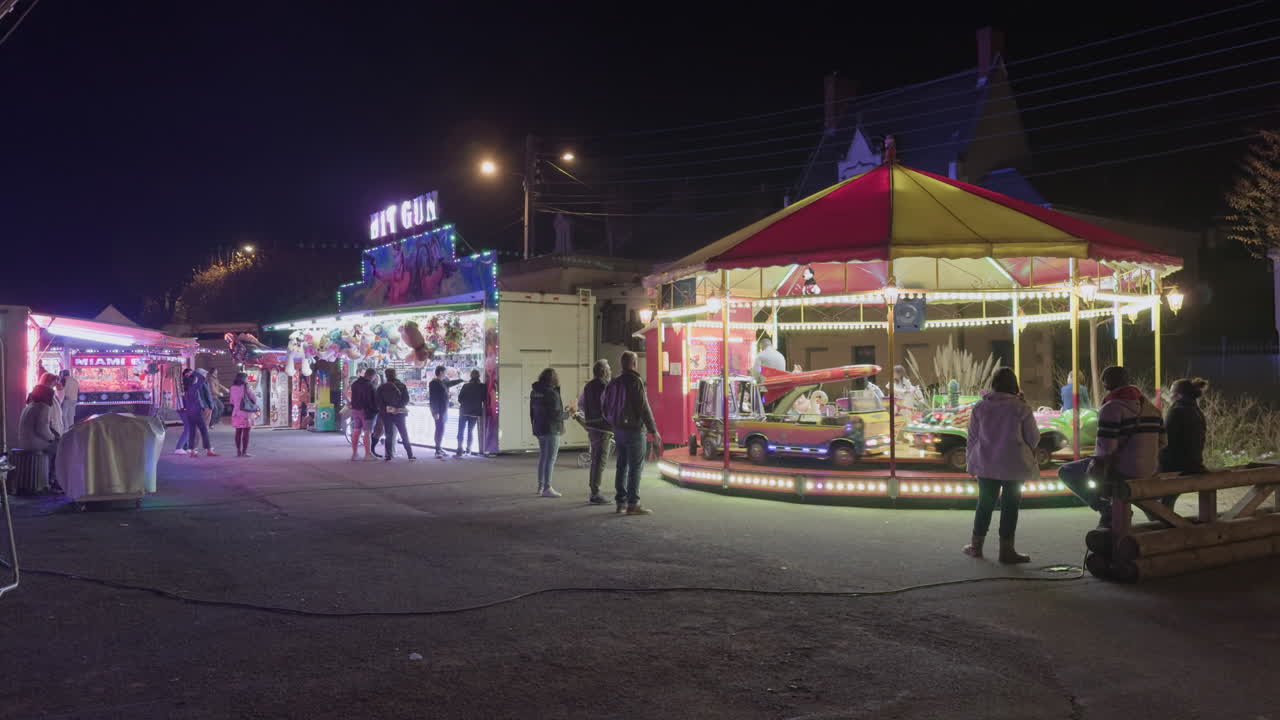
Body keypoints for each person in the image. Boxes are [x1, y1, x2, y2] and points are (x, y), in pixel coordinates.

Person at [1058, 366, 1165, 528]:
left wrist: (1094, 466)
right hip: (1150, 469)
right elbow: (1163, 442)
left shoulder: (1111, 408)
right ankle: (1151, 518)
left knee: (1067, 471)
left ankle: (1105, 508)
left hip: (1123, 471)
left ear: (1107, 384)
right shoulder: (1152, 409)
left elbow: (1105, 450)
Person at [962, 368, 1037, 563]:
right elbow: (1034, 438)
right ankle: (1007, 550)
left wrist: (971, 463)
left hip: (986, 464)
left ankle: (976, 546)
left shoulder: (980, 407)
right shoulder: (1021, 407)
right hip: (1015, 465)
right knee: (1010, 506)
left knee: (984, 504)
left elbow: (972, 438)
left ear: (993, 384)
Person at [604, 351, 660, 515]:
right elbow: (643, 407)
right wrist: (653, 430)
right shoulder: (635, 381)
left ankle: (620, 502)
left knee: (621, 465)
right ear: (634, 364)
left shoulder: (615, 382)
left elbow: (605, 404)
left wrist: (612, 422)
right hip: (634, 431)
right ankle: (633, 503)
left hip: (618, 430)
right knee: (636, 467)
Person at [1154, 377, 1209, 520]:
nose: (1169, 395)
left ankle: (1161, 518)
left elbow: (1167, 442)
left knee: (1143, 481)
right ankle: (1164, 517)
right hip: (1195, 463)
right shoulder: (1197, 411)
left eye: (1171, 392)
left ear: (1178, 394)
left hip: (1178, 466)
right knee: (1166, 499)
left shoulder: (1176, 410)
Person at [530, 368, 573, 497]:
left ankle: (540, 486)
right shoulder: (552, 393)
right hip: (552, 429)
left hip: (539, 427)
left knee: (543, 457)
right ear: (554, 379)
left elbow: (532, 411)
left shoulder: (535, 392)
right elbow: (556, 415)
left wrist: (534, 425)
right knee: (550, 459)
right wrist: (568, 413)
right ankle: (547, 488)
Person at [577, 359, 612, 504]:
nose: (610, 371)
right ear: (603, 371)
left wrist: (590, 415)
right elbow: (609, 406)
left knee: (596, 459)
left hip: (591, 426)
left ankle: (594, 489)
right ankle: (595, 493)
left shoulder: (588, 386)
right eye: (609, 369)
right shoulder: (605, 386)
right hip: (603, 427)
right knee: (600, 460)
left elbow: (581, 404)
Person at [18, 380, 61, 492]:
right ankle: (54, 481)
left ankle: (50, 479)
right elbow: (42, 429)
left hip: (24, 441)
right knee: (60, 450)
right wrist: (53, 438)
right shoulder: (43, 407)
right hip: (35, 442)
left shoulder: (30, 406)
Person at [377, 367, 414, 461]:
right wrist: (398, 408)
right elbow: (406, 399)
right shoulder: (401, 385)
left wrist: (386, 409)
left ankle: (388, 455)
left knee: (389, 434)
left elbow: (379, 401)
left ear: (386, 375)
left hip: (387, 414)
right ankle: (410, 454)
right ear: (395, 374)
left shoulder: (382, 387)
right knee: (403, 433)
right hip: (399, 413)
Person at [428, 365, 464, 458]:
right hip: (438, 410)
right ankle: (437, 450)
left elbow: (450, 383)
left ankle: (439, 448)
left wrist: (461, 379)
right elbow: (433, 398)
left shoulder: (444, 381)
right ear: (440, 372)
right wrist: (435, 412)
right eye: (445, 372)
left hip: (444, 409)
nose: (446, 374)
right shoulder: (434, 383)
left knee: (441, 429)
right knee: (439, 429)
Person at [181, 368, 217, 457]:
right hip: (197, 411)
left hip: (190, 412)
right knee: (203, 430)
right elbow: (202, 379)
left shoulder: (187, 390)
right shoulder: (194, 388)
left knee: (194, 431)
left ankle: (193, 450)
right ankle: (207, 450)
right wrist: (194, 373)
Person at [349, 368, 378, 461]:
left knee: (356, 430)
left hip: (355, 410)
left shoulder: (355, 383)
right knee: (367, 432)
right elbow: (372, 400)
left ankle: (354, 454)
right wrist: (375, 410)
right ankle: (367, 454)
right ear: (372, 376)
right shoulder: (370, 385)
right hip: (366, 411)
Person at [455, 370, 486, 457]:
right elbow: (484, 399)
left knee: (461, 430)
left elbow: (460, 399)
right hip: (475, 412)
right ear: (479, 376)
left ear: (471, 376)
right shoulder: (482, 387)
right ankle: (468, 450)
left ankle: (459, 449)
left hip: (464, 411)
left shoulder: (466, 386)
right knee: (470, 431)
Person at [228, 372, 260, 457]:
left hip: (236, 412)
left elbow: (231, 401)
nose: (247, 380)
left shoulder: (232, 387)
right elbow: (253, 398)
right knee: (246, 432)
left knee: (238, 432)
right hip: (245, 413)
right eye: (247, 378)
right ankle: (244, 452)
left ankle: (238, 451)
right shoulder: (246, 386)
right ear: (244, 379)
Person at [174, 368, 195, 454]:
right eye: (190, 373)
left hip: (183, 408)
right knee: (188, 427)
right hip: (184, 408)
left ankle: (184, 447)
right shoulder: (186, 385)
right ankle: (179, 447)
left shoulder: (184, 385)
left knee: (189, 427)